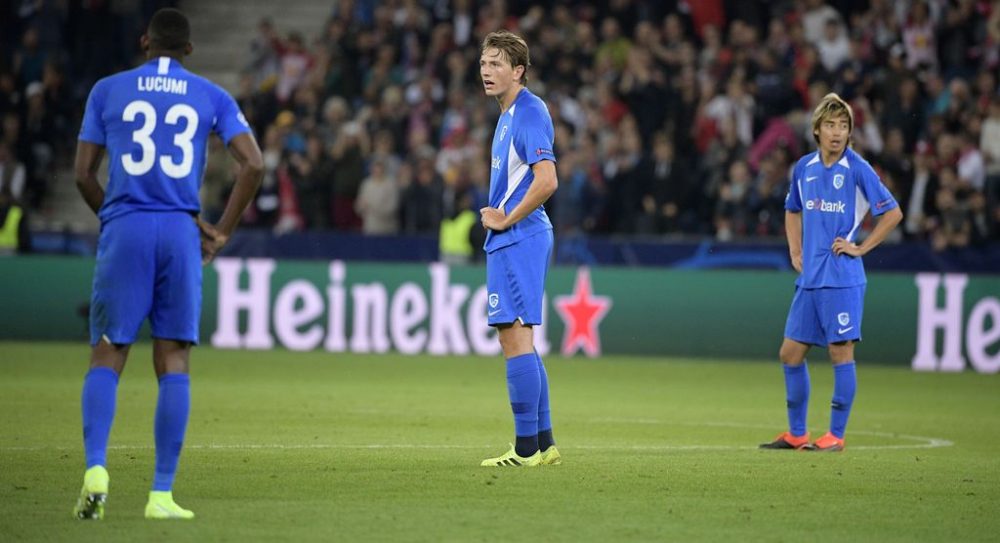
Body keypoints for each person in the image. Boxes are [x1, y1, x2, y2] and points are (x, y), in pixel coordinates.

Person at [72, 8, 263, 519]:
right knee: (174, 359)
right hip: (180, 231)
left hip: (127, 226)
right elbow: (255, 163)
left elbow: (83, 174)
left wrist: (114, 216)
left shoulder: (107, 90)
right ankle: (160, 495)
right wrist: (220, 229)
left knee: (109, 354)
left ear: (144, 42)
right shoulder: (211, 95)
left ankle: (95, 467)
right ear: (189, 51)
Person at [761, 93, 902, 452]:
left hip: (842, 278)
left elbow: (893, 213)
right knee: (789, 354)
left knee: (841, 355)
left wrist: (861, 247)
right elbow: (792, 209)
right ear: (817, 130)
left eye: (843, 126)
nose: (837, 133)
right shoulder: (804, 168)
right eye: (830, 126)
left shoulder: (858, 169)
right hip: (810, 280)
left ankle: (835, 436)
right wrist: (795, 248)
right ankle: (797, 433)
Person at [477, 30, 560, 467]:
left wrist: (506, 218)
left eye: (496, 64)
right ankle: (543, 445)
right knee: (520, 338)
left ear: (518, 71)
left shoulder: (527, 112)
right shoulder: (510, 112)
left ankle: (525, 449)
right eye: (484, 63)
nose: (486, 71)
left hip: (520, 235)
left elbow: (547, 180)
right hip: (518, 237)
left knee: (514, 336)